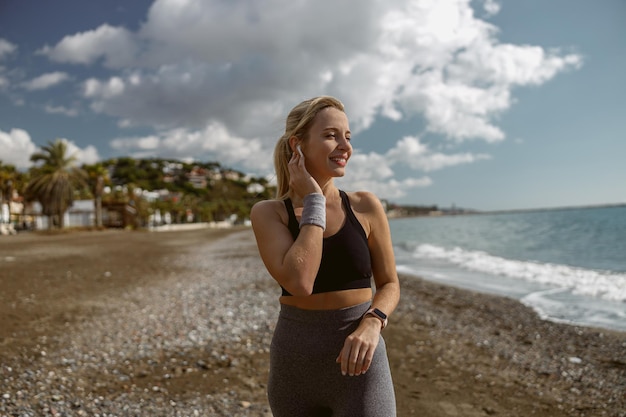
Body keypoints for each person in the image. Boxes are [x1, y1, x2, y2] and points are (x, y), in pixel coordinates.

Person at [250, 96, 400, 416]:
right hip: (295, 368)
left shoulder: (365, 205)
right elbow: (300, 282)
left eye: (348, 136)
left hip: (361, 363)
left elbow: (389, 284)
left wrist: (373, 323)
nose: (344, 145)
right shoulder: (269, 214)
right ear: (298, 145)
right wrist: (315, 201)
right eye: (331, 135)